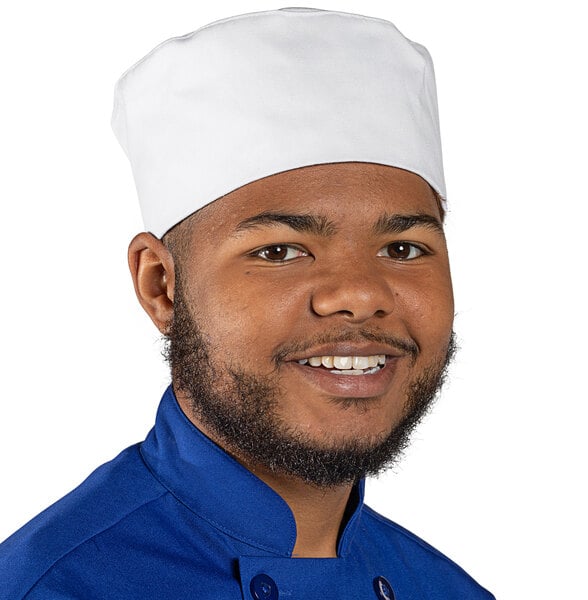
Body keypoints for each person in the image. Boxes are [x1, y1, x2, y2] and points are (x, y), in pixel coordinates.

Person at [0, 8, 494, 599]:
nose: (361, 294)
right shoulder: (49, 588)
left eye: (403, 247)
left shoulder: (446, 590)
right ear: (161, 286)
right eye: (281, 250)